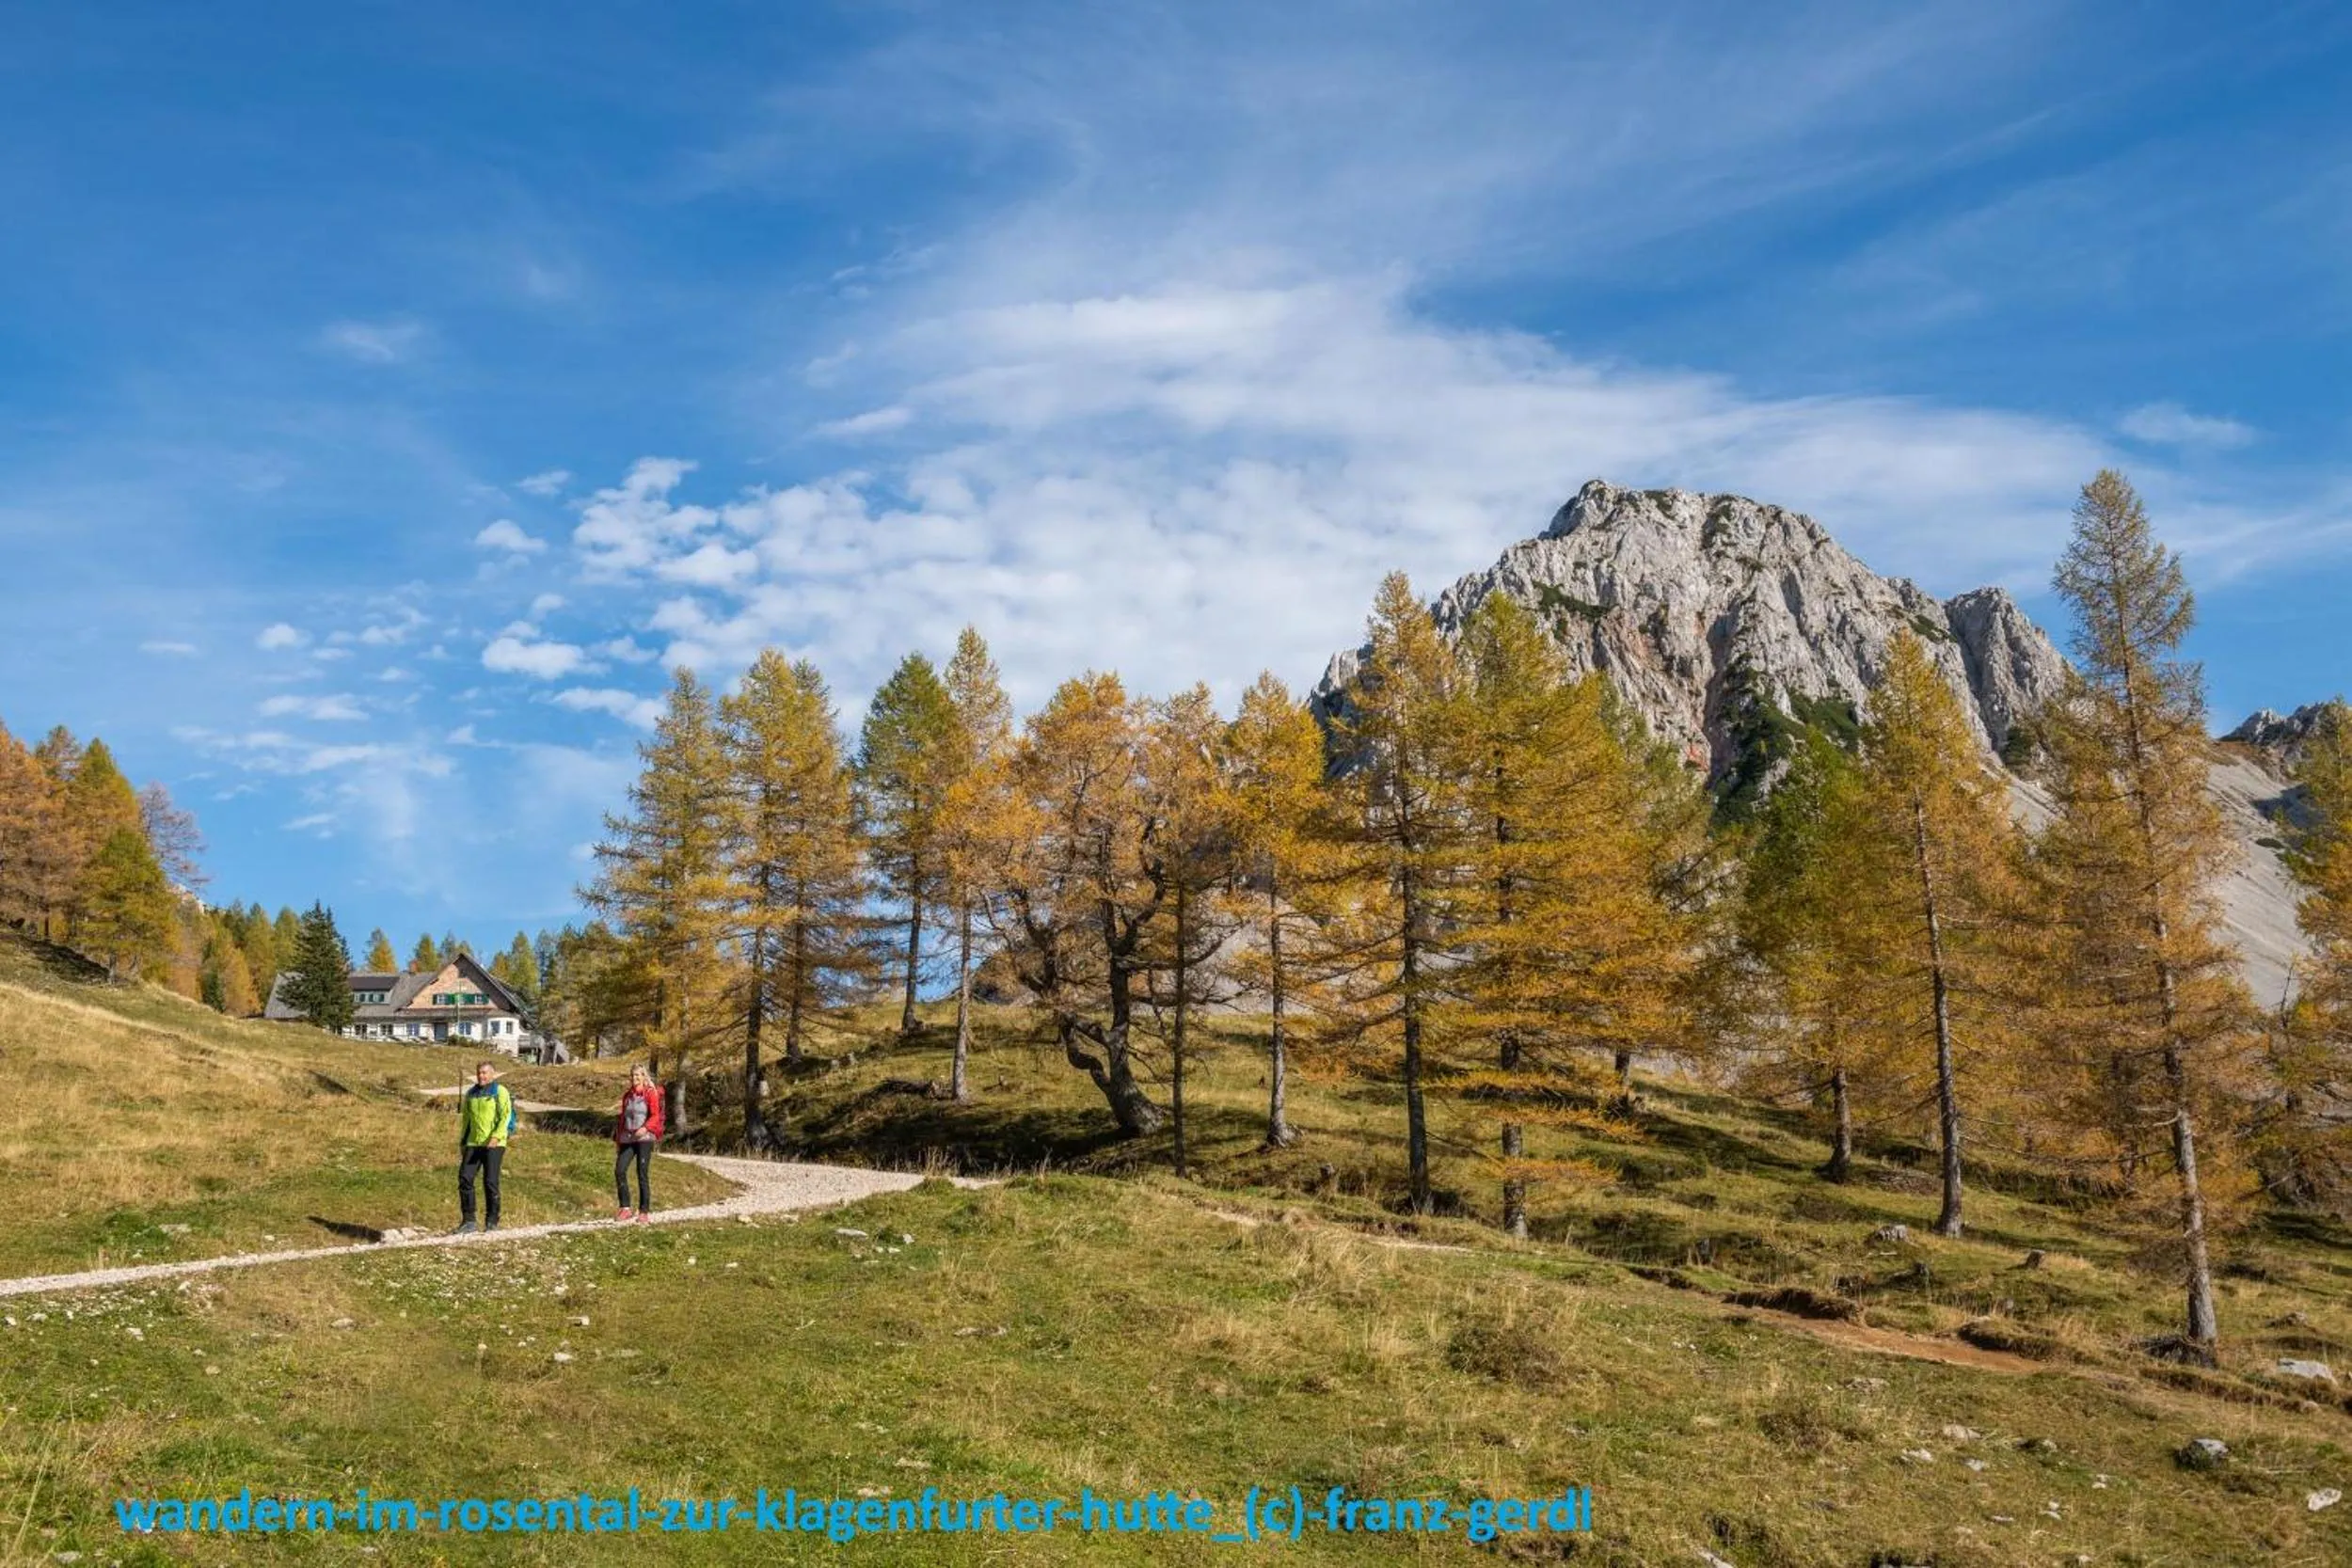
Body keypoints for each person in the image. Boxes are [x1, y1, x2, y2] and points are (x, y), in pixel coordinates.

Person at [454, 1060, 516, 1233]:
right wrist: (463, 1142)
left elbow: (505, 1116)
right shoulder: (471, 1094)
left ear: (492, 1074)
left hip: (494, 1143)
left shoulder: (499, 1091)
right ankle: (469, 1221)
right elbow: (467, 1120)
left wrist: (496, 1136)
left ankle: (492, 1222)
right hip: (473, 1143)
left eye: (485, 1073)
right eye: (479, 1073)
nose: (481, 1076)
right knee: (465, 1178)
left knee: (490, 1181)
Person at [614, 1064, 663, 1222]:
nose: (634, 1078)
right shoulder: (627, 1096)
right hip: (627, 1138)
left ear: (643, 1077)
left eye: (637, 1075)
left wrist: (645, 1128)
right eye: (633, 1075)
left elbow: (655, 1116)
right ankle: (625, 1208)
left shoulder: (650, 1093)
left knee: (641, 1172)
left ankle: (644, 1211)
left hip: (644, 1138)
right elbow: (622, 1119)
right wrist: (618, 1140)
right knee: (620, 1170)